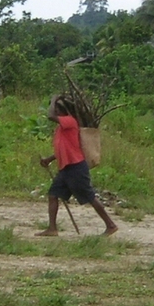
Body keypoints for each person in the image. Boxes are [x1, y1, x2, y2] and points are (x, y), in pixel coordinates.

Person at [35, 95, 118, 237]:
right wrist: (49, 159)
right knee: (53, 194)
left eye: (57, 109)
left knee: (89, 196)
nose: (54, 111)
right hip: (66, 167)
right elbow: (65, 148)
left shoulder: (69, 121)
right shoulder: (61, 128)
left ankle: (110, 225)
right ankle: (52, 228)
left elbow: (50, 116)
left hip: (76, 167)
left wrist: (54, 100)